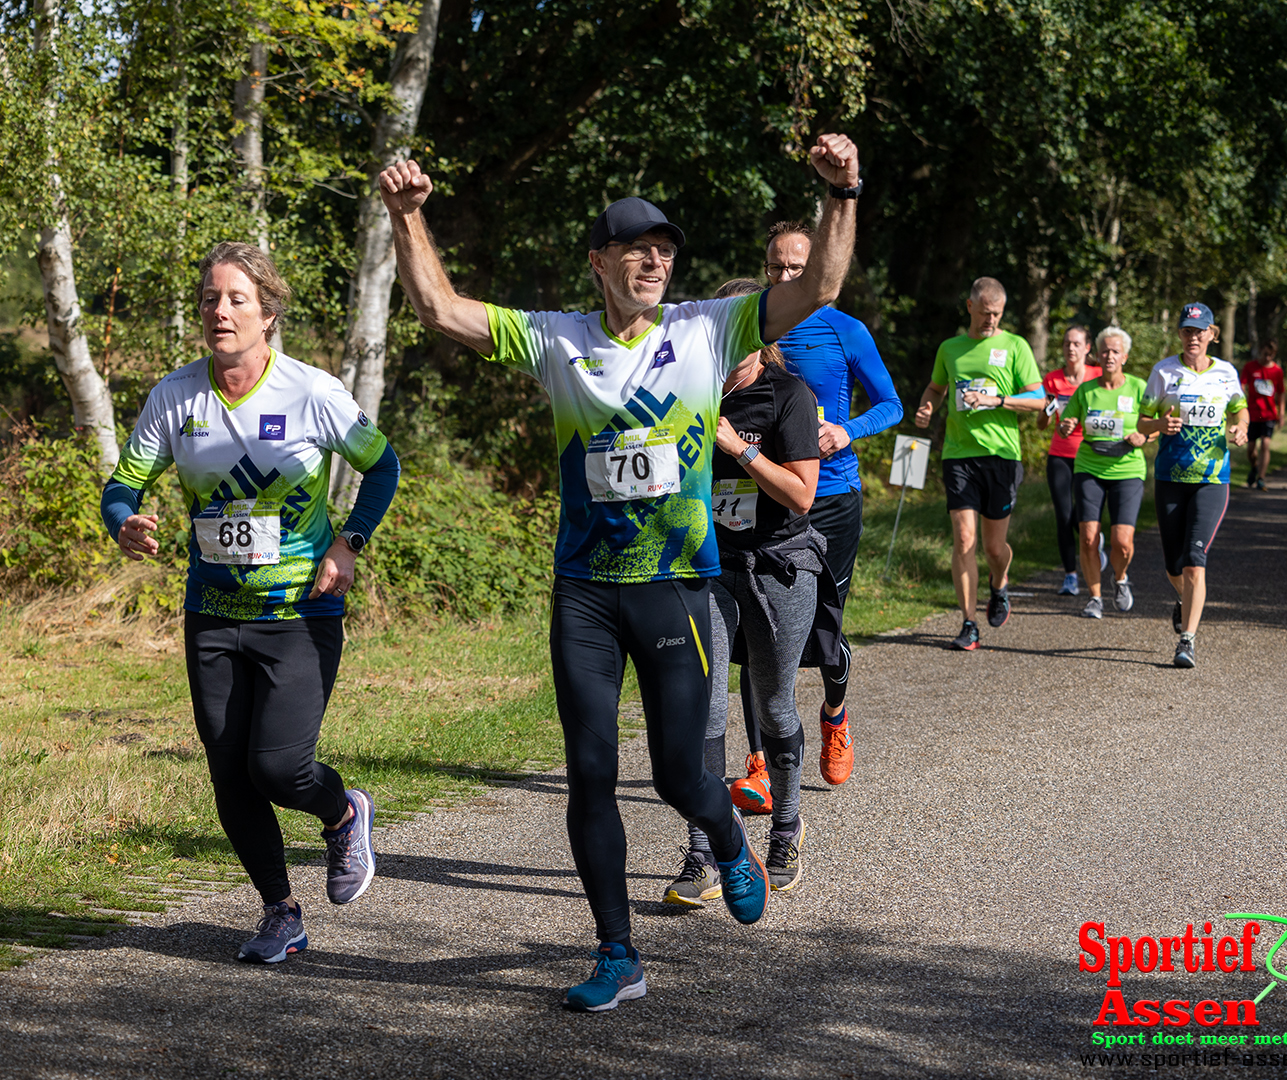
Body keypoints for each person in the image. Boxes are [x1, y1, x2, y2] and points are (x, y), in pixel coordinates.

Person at [378, 134, 861, 1011]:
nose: (654, 259)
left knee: (682, 775)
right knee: (589, 771)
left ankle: (722, 834)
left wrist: (842, 192)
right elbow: (443, 310)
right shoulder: (558, 340)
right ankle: (616, 952)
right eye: (636, 247)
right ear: (599, 262)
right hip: (588, 595)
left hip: (676, 587)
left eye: (666, 249)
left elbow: (818, 287)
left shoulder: (709, 328)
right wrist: (408, 217)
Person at [101, 242, 400, 963]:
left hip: (299, 613)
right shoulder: (176, 395)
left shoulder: (312, 392)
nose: (220, 311)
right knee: (228, 770)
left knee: (278, 768)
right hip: (212, 613)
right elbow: (124, 484)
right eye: (209, 298)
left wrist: (349, 543)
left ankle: (341, 811)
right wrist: (123, 521)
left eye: (236, 298)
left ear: (268, 313)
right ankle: (279, 910)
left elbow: (382, 463)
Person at [722, 221, 904, 808]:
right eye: (776, 267)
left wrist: (845, 432)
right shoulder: (747, 328)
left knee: (825, 627)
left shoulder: (844, 330)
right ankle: (757, 764)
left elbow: (892, 405)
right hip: (759, 494)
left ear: (823, 271)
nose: (785, 278)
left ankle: (833, 712)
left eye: (798, 268)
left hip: (829, 498)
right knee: (751, 629)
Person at [664, 279, 822, 907]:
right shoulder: (690, 394)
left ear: (761, 339)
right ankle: (706, 849)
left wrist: (736, 450)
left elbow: (802, 495)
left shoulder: (790, 396)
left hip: (780, 564)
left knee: (775, 704)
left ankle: (785, 828)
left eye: (739, 339)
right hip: (710, 565)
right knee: (704, 708)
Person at [913, 278, 1044, 650]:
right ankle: (969, 622)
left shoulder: (1015, 345)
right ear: (970, 307)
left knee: (994, 548)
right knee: (964, 539)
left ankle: (999, 583)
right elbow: (937, 388)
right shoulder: (950, 348)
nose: (991, 320)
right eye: (985, 313)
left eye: (997, 314)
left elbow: (1038, 400)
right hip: (958, 455)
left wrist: (996, 401)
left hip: (1002, 456)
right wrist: (927, 406)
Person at [1138, 302, 1248, 668]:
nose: (1193, 337)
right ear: (1180, 333)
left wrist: (1240, 427)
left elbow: (1240, 408)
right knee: (1173, 565)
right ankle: (1186, 603)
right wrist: (1159, 427)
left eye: (1200, 331)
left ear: (1212, 334)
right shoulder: (1164, 372)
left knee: (1194, 562)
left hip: (1212, 479)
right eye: (1187, 330)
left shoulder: (1226, 373)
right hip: (1170, 477)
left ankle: (1187, 640)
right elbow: (1141, 423)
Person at [1057, 327, 1150, 619]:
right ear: (1097, 354)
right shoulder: (1087, 389)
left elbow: (1156, 425)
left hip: (1127, 468)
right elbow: (1067, 419)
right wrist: (1066, 426)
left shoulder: (1138, 387)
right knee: (1088, 537)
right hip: (1089, 466)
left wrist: (1144, 437)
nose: (1109, 355)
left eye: (1115, 351)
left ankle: (1120, 579)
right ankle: (1095, 597)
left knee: (1122, 542)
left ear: (1125, 356)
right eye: (1104, 350)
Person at [1037, 325, 1101, 596]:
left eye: (1076, 344)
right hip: (1060, 455)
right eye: (1066, 344)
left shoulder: (1098, 376)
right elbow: (1041, 424)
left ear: (1087, 348)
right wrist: (1047, 410)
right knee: (1064, 516)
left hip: (1091, 455)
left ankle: (1095, 546)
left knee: (1084, 515)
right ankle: (1070, 576)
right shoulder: (1052, 380)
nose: (1070, 349)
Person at [1240, 339, 1285, 490]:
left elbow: (1281, 393)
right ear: (1260, 351)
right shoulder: (1250, 367)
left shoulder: (1277, 371)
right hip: (1252, 413)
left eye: (1270, 355)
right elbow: (1242, 385)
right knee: (1251, 447)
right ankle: (1254, 467)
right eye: (1265, 354)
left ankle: (1261, 477)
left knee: (1265, 444)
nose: (1267, 358)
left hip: (1269, 414)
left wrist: (1282, 413)